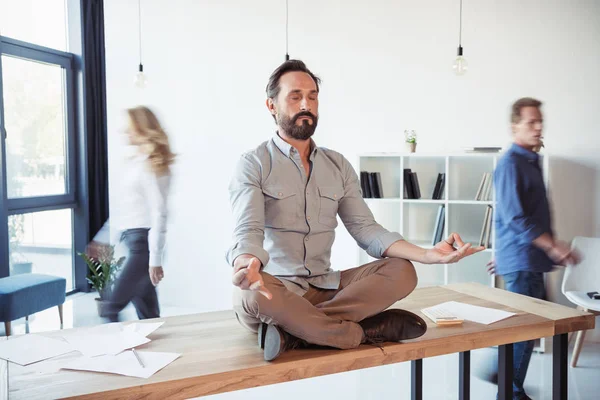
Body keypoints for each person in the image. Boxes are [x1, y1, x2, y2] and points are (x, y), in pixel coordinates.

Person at [226, 59, 484, 361]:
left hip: (324, 286)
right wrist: (247, 262)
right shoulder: (253, 163)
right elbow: (248, 228)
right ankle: (359, 333)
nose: (306, 104)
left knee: (402, 270)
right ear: (272, 105)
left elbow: (366, 229)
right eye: (295, 96)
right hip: (276, 287)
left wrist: (426, 254)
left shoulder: (337, 165)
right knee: (249, 294)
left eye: (312, 96)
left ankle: (294, 332)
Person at [489, 97, 580, 400]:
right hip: (525, 259)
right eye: (531, 122)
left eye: (540, 121)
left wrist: (503, 254)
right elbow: (514, 217)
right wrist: (554, 247)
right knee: (527, 328)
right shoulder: (511, 163)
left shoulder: (530, 161)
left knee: (531, 326)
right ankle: (510, 390)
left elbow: (513, 215)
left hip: (527, 258)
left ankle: (499, 373)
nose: (539, 127)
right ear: (515, 125)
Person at [88, 106, 175, 322]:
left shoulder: (152, 164)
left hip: (142, 246)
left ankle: (114, 354)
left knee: (110, 306)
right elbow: (124, 209)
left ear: (140, 128)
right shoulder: (135, 163)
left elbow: (159, 213)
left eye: (129, 127)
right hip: (132, 241)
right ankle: (155, 352)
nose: (124, 132)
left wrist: (155, 259)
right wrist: (102, 240)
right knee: (149, 316)